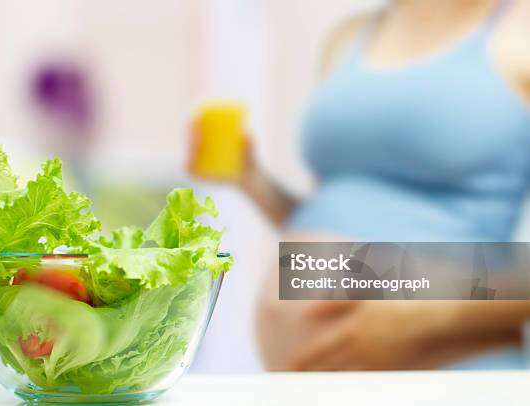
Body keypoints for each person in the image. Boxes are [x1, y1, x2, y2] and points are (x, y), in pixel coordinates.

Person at [192, 0, 530, 370]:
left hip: (453, 371)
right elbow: (340, 225)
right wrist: (250, 179)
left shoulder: (519, 29)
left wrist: (422, 319)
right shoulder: (349, 37)